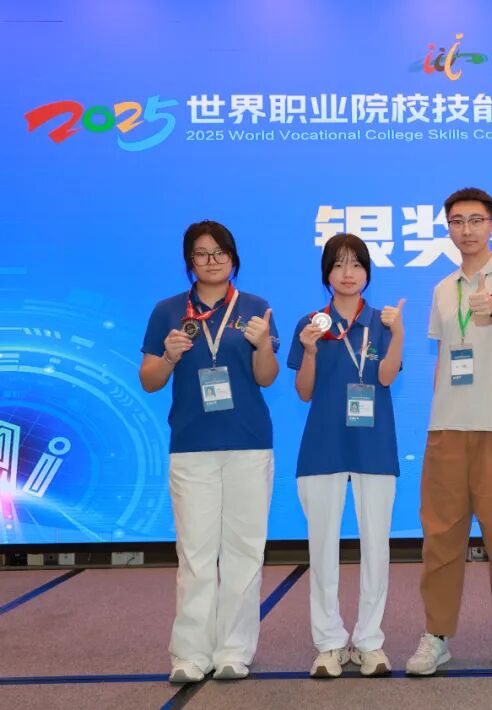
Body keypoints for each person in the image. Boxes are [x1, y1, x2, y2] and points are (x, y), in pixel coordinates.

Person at [405, 187, 492, 676]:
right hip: (447, 429)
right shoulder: (443, 289)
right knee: (441, 539)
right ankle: (437, 635)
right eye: (457, 221)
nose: (467, 230)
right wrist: (436, 419)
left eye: (476, 220)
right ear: (448, 228)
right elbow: (444, 357)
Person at [139, 220, 279, 684]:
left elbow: (266, 377)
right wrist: (169, 356)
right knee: (196, 554)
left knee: (244, 552)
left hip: (248, 444)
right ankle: (190, 654)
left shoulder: (256, 308)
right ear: (189, 262)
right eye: (201, 253)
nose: (212, 261)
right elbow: (149, 380)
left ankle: (235, 650)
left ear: (233, 258)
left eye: (220, 252)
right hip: (192, 447)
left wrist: (263, 344)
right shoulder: (167, 311)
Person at [287, 233, 404, 678]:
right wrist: (310, 350)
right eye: (338, 265)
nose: (348, 273)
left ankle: (370, 641)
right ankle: (330, 643)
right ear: (326, 274)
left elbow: (387, 377)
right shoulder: (312, 324)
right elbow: (304, 392)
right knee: (322, 548)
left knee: (377, 547)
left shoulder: (383, 321)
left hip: (374, 446)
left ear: (367, 272)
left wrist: (399, 333)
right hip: (323, 446)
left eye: (356, 264)